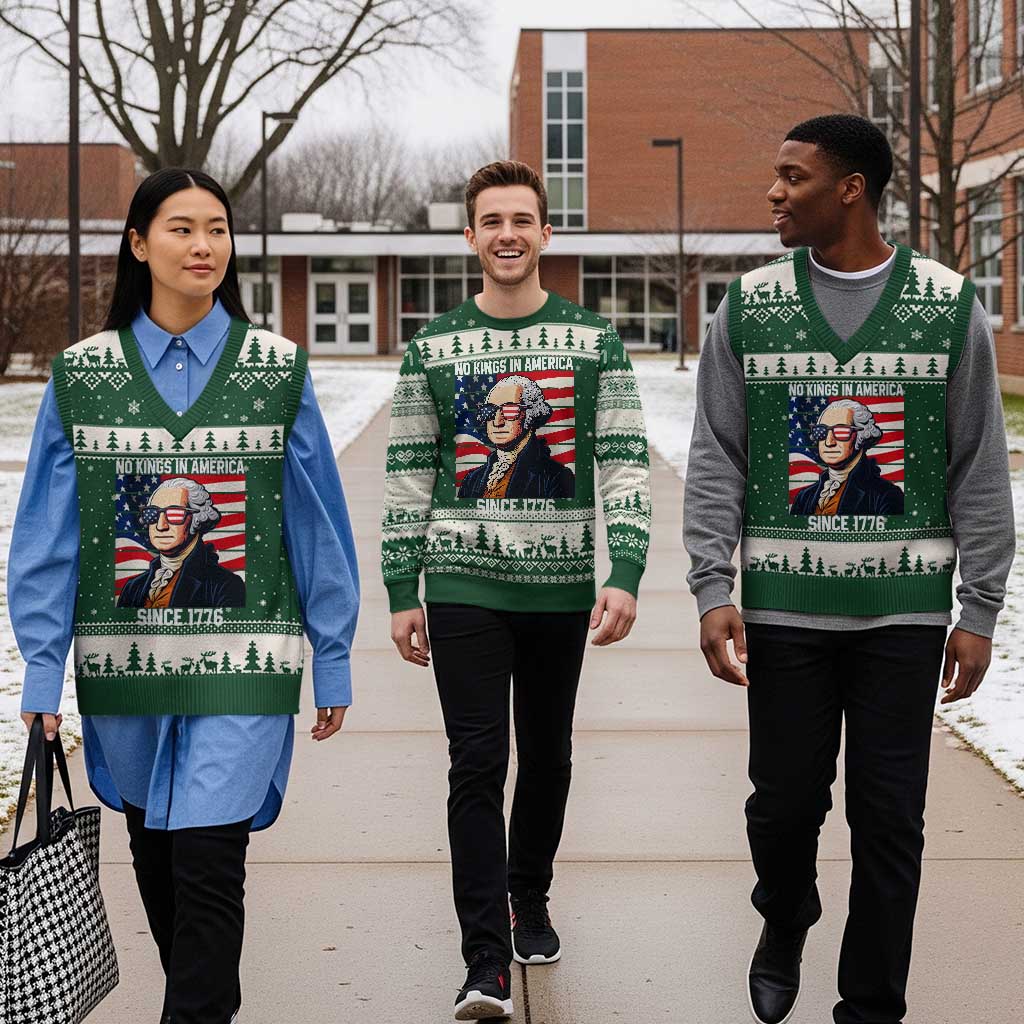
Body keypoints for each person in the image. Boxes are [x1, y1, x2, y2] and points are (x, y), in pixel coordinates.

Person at [684, 114, 1014, 1024]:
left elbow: (978, 463)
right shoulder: (749, 305)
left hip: (904, 620)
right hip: (785, 614)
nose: (774, 192)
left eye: (793, 176)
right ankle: (784, 913)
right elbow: (717, 453)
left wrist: (980, 607)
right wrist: (713, 586)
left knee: (889, 824)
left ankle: (871, 1005)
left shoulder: (946, 305)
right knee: (782, 810)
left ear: (851, 188)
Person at [12, 168, 359, 1024]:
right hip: (124, 671)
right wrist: (40, 675)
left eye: (216, 229)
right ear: (138, 244)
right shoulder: (82, 376)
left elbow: (314, 523)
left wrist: (334, 654)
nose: (203, 245)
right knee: (160, 863)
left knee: (210, 865)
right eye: (180, 228)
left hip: (243, 669)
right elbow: (47, 539)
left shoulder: (276, 371)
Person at [381, 160, 652, 1021]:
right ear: (469, 236)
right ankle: (484, 961)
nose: (507, 234)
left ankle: (527, 895)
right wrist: (401, 586)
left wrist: (627, 569)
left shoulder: (592, 341)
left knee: (548, 753)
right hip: (463, 579)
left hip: (561, 588)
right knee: (477, 760)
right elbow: (407, 474)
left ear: (545, 233)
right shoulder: (432, 348)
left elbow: (623, 459)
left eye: (522, 220)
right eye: (491, 220)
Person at [117, 476, 247, 607]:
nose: (161, 526)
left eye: (174, 514)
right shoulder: (133, 587)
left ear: (197, 519)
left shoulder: (224, 585)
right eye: (153, 514)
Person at [457, 375, 576, 499]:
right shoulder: (471, 479)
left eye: (509, 410)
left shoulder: (555, 477)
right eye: (490, 411)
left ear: (531, 414)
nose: (497, 422)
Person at [789, 399, 904, 515]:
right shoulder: (804, 497)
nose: (829, 442)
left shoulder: (886, 495)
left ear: (862, 435)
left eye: (841, 432)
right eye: (822, 431)